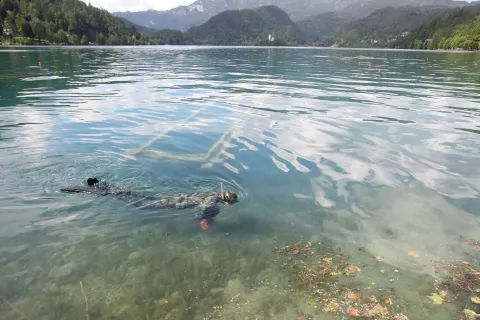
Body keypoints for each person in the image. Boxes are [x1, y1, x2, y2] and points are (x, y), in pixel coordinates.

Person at [60, 178, 238, 229]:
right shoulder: (213, 200)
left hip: (171, 198)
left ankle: (106, 185)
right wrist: (199, 219)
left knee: (138, 194)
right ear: (226, 200)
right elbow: (202, 210)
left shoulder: (212, 193)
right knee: (137, 203)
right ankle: (106, 190)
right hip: (171, 204)